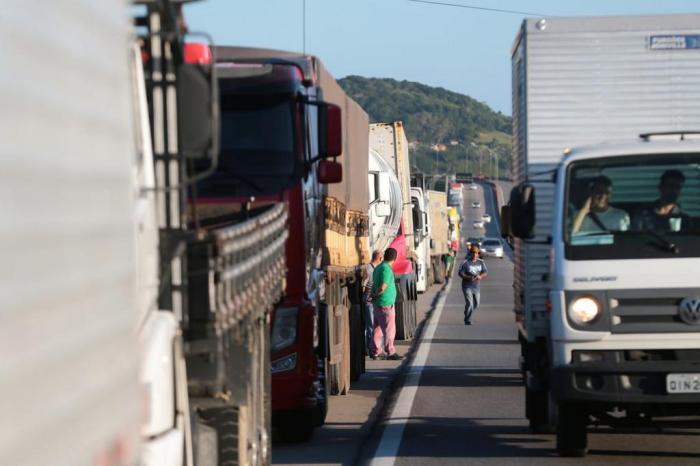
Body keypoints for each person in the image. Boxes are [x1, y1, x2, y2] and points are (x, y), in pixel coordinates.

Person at [369, 247, 402, 361]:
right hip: (385, 302)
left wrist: (373, 296)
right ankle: (390, 351)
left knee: (377, 328)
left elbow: (374, 284)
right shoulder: (387, 269)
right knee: (389, 329)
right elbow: (383, 286)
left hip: (377, 303)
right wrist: (377, 294)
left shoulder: (378, 267)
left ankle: (376, 351)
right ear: (395, 258)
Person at [458, 244, 488, 326]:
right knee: (470, 303)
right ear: (471, 253)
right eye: (473, 253)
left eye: (476, 253)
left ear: (478, 254)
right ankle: (467, 320)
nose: (475, 255)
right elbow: (460, 273)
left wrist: (480, 276)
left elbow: (485, 272)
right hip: (467, 286)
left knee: (476, 304)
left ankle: (467, 310)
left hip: (476, 287)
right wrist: (469, 277)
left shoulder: (481, 262)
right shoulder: (465, 262)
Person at [362, 250, 383, 353]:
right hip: (369, 302)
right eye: (381, 258)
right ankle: (371, 348)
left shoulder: (374, 269)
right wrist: (369, 297)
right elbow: (364, 285)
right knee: (371, 326)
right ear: (379, 258)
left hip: (373, 302)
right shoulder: (369, 269)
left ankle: (374, 347)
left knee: (374, 326)